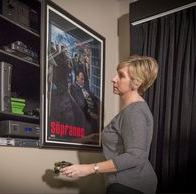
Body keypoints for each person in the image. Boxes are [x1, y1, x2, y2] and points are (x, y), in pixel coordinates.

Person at [60, 55, 159, 194]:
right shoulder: (131, 110)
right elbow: (119, 139)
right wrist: (88, 138)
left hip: (130, 185)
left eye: (121, 76)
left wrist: (89, 169)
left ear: (136, 83)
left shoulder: (135, 111)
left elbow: (136, 156)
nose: (113, 79)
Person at [69, 70, 99, 136]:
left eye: (84, 79)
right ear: (77, 77)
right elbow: (80, 103)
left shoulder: (85, 87)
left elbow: (92, 96)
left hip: (93, 112)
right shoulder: (73, 87)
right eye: (81, 78)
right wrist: (90, 113)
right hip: (86, 114)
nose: (83, 81)